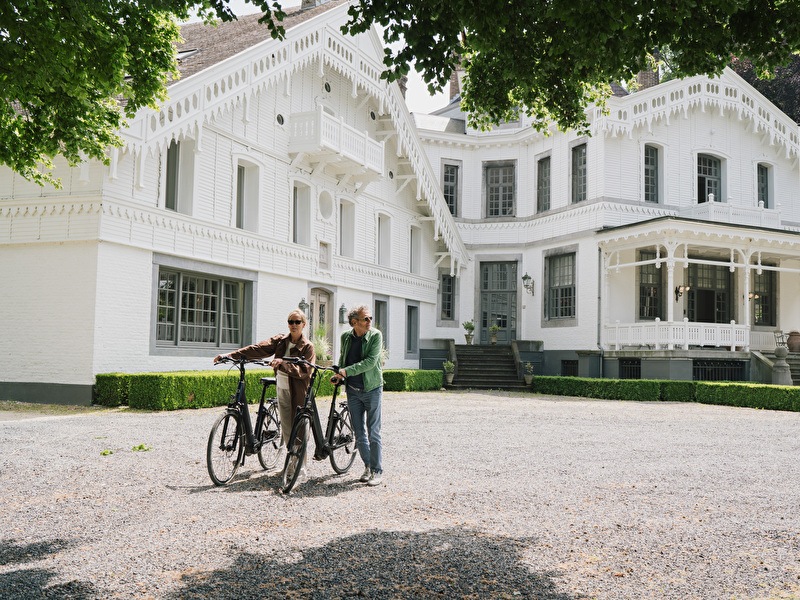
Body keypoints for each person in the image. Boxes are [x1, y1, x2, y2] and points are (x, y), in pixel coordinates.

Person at [213, 309, 315, 476]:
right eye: (291, 321)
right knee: (287, 428)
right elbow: (258, 349)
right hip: (282, 388)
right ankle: (290, 464)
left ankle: (300, 467)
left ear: (304, 324)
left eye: (297, 322)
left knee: (299, 429)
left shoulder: (308, 346)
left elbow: (305, 370)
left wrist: (283, 363)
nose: (293, 325)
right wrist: (230, 355)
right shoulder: (281, 341)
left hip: (298, 391)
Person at [332, 304, 384, 486]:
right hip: (353, 391)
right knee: (359, 433)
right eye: (365, 319)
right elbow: (343, 359)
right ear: (354, 322)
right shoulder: (346, 337)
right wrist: (339, 374)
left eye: (370, 318)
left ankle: (377, 471)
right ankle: (368, 466)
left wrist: (346, 371)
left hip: (372, 389)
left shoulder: (375, 335)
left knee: (373, 432)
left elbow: (370, 362)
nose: (369, 321)